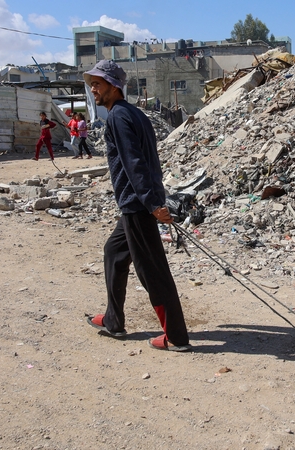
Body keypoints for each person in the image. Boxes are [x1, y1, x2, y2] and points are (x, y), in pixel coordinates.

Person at [83, 59, 191, 352]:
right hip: (138, 201)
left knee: (151, 271)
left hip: (137, 204)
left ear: (114, 86)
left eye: (99, 84)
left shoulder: (118, 117)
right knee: (114, 252)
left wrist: (153, 203)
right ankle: (113, 320)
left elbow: (135, 164)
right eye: (92, 83)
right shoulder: (134, 114)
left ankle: (177, 337)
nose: (94, 89)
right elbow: (147, 161)